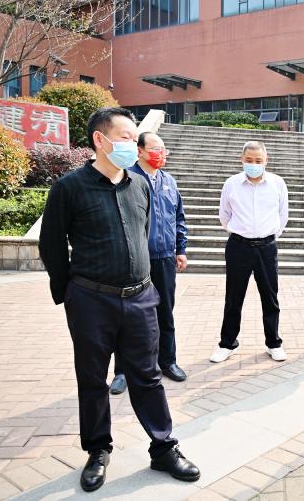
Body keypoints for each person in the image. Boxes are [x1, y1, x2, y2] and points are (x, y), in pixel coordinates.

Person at [38, 107, 200, 492]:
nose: (134, 144)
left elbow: (143, 233)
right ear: (100, 139)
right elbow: (51, 245)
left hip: (140, 297)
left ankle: (163, 447)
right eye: (126, 137)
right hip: (91, 301)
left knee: (148, 376)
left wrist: (146, 284)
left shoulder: (139, 185)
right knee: (93, 379)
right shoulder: (69, 188)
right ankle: (97, 451)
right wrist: (68, 293)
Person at [110, 131, 188, 395]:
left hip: (164, 257)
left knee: (165, 312)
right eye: (155, 149)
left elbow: (178, 218)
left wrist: (180, 249)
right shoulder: (126, 179)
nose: (161, 154)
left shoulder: (169, 181)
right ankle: (122, 371)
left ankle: (168, 362)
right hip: (135, 260)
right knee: (128, 317)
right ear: (139, 151)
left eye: (163, 149)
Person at [210, 141, 289, 363]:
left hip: (266, 247)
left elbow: (283, 214)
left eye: (258, 161)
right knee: (233, 297)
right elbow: (224, 215)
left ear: (266, 161)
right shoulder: (231, 184)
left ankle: (273, 343)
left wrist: (269, 236)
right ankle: (227, 343)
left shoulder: (277, 183)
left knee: (270, 297)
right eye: (249, 160)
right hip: (239, 246)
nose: (254, 164)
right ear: (241, 160)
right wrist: (241, 233)